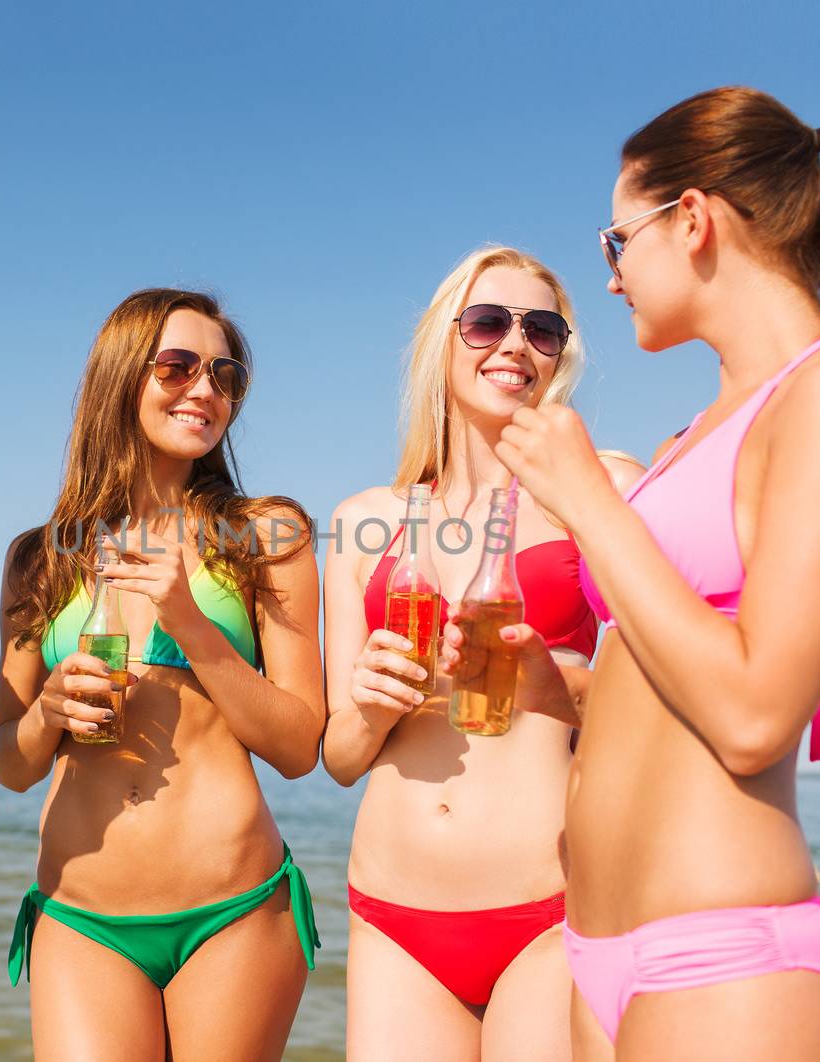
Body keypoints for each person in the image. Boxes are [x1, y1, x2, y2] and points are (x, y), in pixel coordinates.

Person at [454, 86, 820, 1060]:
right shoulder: (687, 438)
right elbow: (666, 668)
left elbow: (755, 715)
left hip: (723, 963)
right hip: (597, 957)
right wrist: (561, 687)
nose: (613, 277)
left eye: (614, 242)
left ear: (691, 219)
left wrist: (586, 502)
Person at [323, 247, 642, 1059]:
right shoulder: (367, 521)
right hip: (393, 912)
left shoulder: (602, 487)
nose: (514, 345)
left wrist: (553, 678)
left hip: (549, 900)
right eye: (488, 322)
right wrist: (368, 705)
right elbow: (341, 756)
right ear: (444, 339)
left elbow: (660, 703)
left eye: (541, 330)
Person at [0, 289, 326, 1060]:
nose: (205, 389)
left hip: (232, 910)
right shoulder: (38, 557)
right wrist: (45, 711)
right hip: (81, 914)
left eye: (225, 374)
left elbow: (300, 744)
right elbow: (11, 762)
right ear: (120, 378)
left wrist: (191, 624)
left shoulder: (266, 533)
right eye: (177, 366)